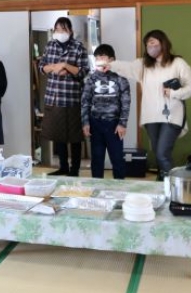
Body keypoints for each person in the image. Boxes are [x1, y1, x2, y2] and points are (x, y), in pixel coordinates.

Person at [108, 29, 191, 179]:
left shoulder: (178, 63)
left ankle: (174, 185)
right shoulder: (144, 65)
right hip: (151, 117)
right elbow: (126, 67)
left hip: (172, 115)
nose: (150, 47)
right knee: (158, 152)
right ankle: (163, 180)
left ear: (163, 43)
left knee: (162, 153)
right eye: (147, 44)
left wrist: (173, 93)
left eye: (153, 42)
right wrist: (110, 65)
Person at [38, 17, 90, 176]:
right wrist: (54, 67)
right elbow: (41, 67)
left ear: (70, 31)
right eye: (57, 30)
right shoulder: (50, 45)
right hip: (53, 97)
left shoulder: (78, 47)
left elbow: (84, 71)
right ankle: (63, 167)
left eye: (63, 29)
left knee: (75, 136)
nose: (60, 32)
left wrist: (66, 67)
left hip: (72, 97)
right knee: (57, 134)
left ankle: (75, 169)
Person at [81, 44, 131, 179]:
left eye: (102, 57)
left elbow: (126, 102)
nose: (99, 60)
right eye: (97, 58)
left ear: (112, 59)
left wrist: (122, 123)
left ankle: (119, 187)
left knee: (117, 159)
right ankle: (96, 186)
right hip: (95, 123)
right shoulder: (91, 79)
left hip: (114, 124)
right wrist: (85, 122)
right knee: (97, 159)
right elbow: (85, 101)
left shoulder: (121, 77)